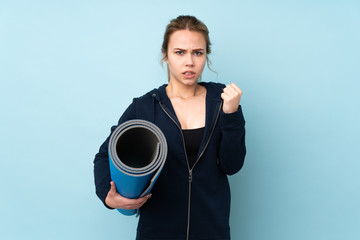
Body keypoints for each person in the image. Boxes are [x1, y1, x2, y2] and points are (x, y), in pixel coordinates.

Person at [93, 15, 246, 240]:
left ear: (206, 55)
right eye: (180, 52)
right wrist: (107, 195)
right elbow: (104, 155)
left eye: (198, 52)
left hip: (212, 231)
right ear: (165, 55)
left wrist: (231, 115)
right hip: (156, 232)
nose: (190, 62)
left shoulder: (223, 100)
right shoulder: (146, 106)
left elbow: (231, 165)